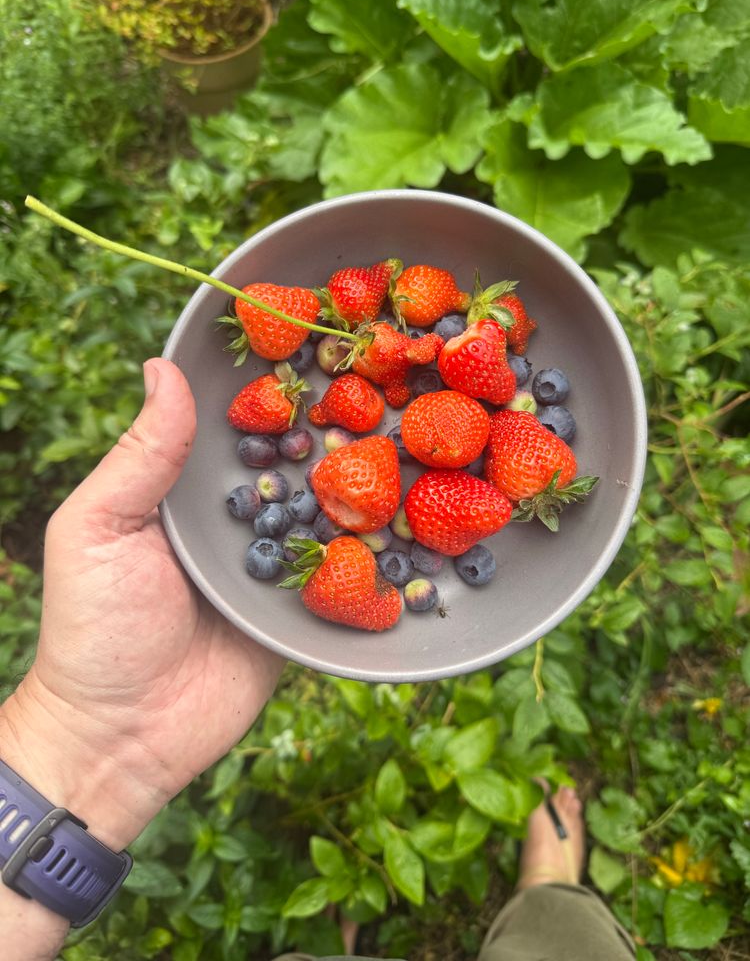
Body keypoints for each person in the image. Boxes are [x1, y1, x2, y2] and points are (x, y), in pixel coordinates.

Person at [0, 359, 636, 961]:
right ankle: (551, 894)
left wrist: (79, 744)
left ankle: (409, 927)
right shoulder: (364, 493)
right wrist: (83, 740)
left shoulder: (425, 447)